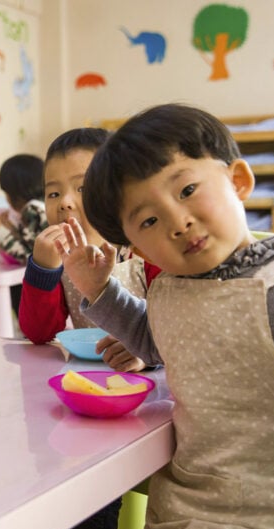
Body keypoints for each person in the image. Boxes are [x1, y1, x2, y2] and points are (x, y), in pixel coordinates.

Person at [57, 103, 274, 529]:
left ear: (238, 181)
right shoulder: (169, 289)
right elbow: (150, 338)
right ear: (138, 248)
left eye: (187, 190)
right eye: (148, 219)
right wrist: (99, 288)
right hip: (183, 508)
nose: (176, 221)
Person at [19, 128, 160, 373]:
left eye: (82, 188)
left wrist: (147, 355)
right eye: (53, 193)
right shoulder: (61, 260)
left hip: (157, 383)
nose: (64, 202)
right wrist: (43, 270)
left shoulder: (147, 251)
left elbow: (180, 328)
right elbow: (40, 334)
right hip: (88, 374)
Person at [0, 154, 46, 330]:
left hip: (46, 282)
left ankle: (10, 337)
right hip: (48, 278)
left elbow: (28, 256)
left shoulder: (33, 210)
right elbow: (31, 242)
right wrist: (10, 226)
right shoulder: (41, 206)